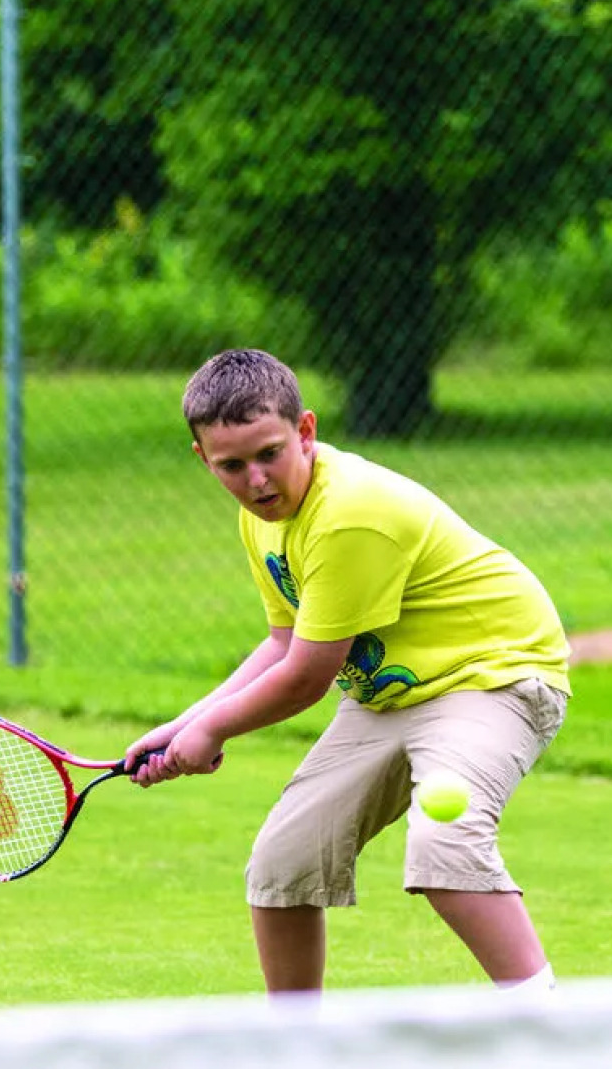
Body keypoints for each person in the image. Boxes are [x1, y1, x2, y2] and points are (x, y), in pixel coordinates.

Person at [124, 348, 571, 995]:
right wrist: (186, 723)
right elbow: (282, 644)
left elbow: (306, 677)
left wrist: (213, 732)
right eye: (232, 465)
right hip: (391, 696)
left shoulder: (350, 513)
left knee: (446, 850)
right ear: (204, 459)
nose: (256, 480)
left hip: (493, 675)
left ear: (305, 431)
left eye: (270, 453)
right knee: (283, 868)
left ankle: (551, 1031)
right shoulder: (263, 519)